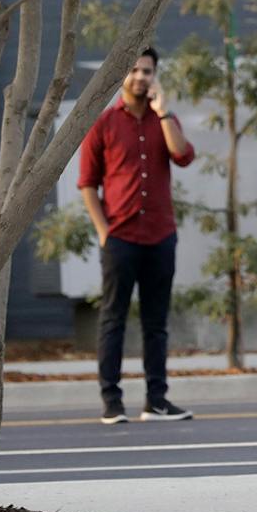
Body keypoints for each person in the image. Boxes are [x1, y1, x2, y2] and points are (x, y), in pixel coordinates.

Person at [78, 46, 196, 425]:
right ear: (122, 76)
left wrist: (164, 112)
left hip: (160, 237)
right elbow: (87, 184)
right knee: (113, 320)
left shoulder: (165, 120)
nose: (140, 77)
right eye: (133, 70)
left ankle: (157, 401)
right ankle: (111, 401)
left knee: (156, 323)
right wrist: (103, 232)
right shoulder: (105, 123)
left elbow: (183, 155)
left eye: (146, 71)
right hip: (121, 239)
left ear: (154, 76)